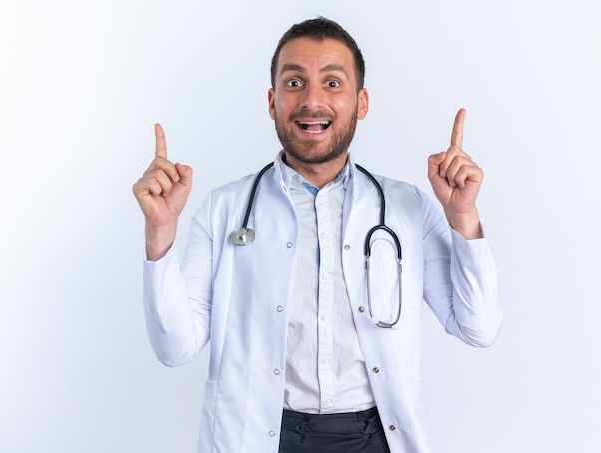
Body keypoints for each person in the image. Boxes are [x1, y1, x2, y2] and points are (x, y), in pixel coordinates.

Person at [133, 17, 502, 453]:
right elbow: (175, 347)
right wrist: (160, 234)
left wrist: (464, 217)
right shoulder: (223, 209)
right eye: (294, 83)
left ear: (361, 102)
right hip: (262, 437)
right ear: (272, 102)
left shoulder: (409, 208)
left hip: (376, 438)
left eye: (332, 82)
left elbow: (477, 328)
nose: (312, 100)